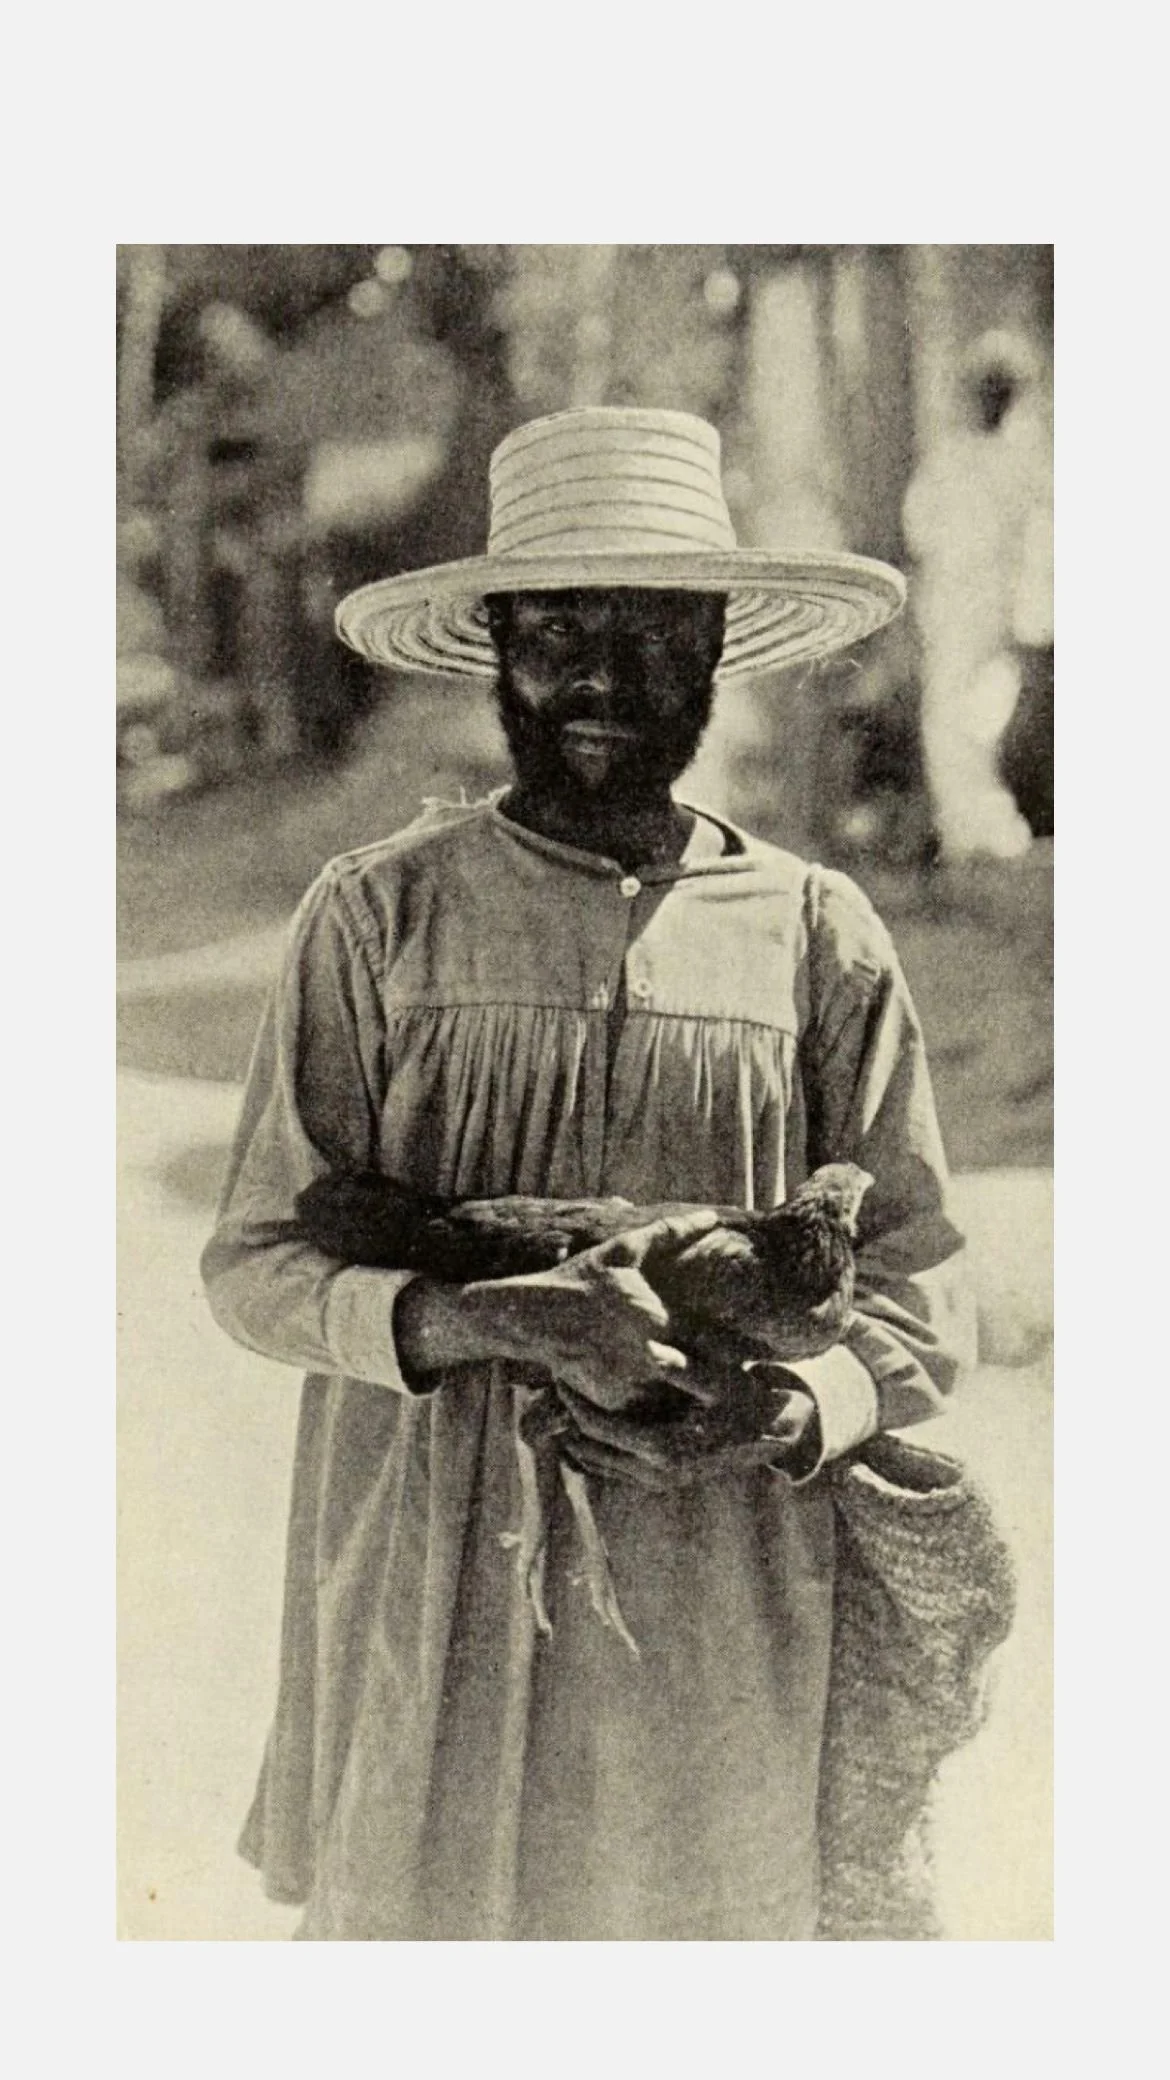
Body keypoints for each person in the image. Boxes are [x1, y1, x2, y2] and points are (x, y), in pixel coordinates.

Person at [202, 406, 973, 1941]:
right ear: (496, 644)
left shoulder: (817, 936)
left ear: (714, 646)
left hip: (727, 1571)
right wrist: (488, 1321)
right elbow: (256, 1267)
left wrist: (790, 1409)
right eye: (559, 630)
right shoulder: (376, 918)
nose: (604, 680)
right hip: (434, 1565)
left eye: (651, 632)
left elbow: (921, 1282)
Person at [902, 329, 1053, 862]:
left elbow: (1038, 536)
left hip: (988, 606)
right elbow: (920, 530)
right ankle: (967, 826)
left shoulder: (1017, 461)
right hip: (958, 606)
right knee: (955, 716)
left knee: (977, 716)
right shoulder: (966, 460)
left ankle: (983, 824)